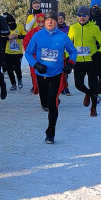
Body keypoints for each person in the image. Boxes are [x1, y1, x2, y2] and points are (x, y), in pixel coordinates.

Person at [24, 10, 77, 143]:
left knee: (52, 105)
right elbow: (28, 53)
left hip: (56, 73)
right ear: (44, 21)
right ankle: (49, 102)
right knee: (45, 103)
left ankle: (50, 132)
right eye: (47, 19)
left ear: (56, 21)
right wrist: (36, 65)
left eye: (52, 19)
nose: (50, 21)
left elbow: (73, 51)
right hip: (41, 74)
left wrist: (70, 64)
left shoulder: (62, 36)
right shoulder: (37, 36)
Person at [68, 6, 101, 117]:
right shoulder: (73, 28)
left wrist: (99, 53)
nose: (82, 17)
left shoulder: (94, 28)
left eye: (84, 15)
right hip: (78, 61)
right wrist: (68, 57)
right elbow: (68, 44)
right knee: (78, 84)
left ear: (88, 16)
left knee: (93, 84)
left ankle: (93, 108)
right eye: (79, 15)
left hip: (92, 61)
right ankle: (88, 93)